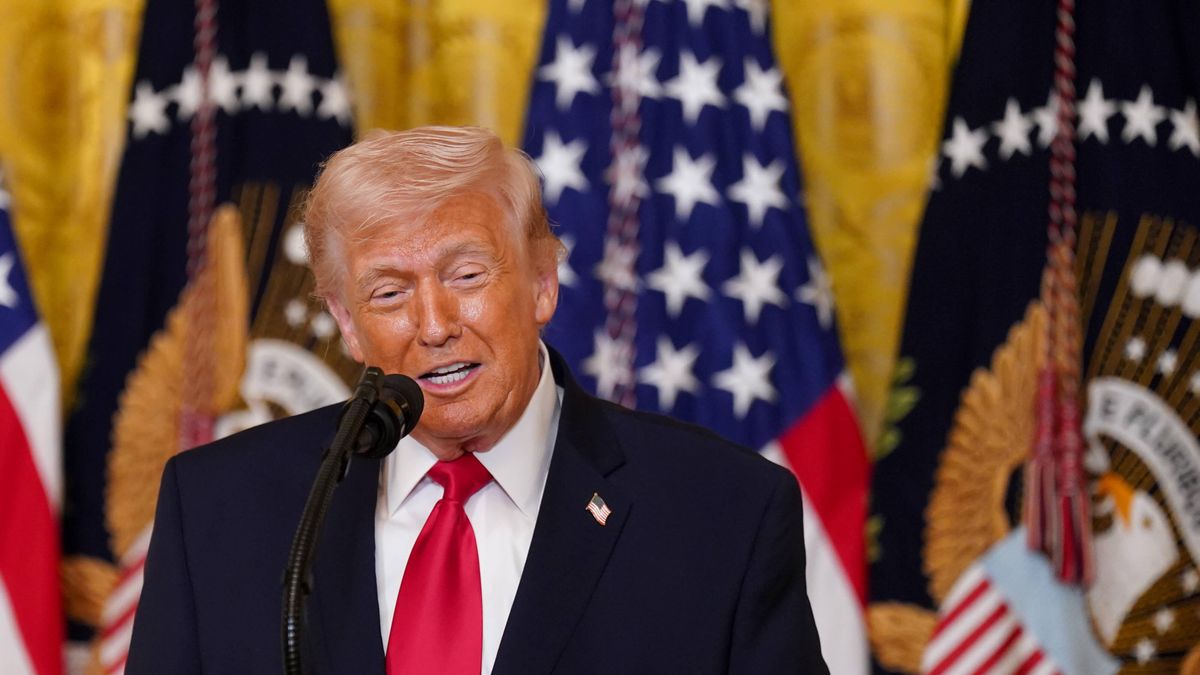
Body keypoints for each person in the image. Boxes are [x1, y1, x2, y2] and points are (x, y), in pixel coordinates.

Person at [127, 126, 827, 674]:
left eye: (466, 274)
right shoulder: (218, 507)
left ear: (542, 284)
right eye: (389, 292)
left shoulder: (722, 515)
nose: (434, 325)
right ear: (347, 322)